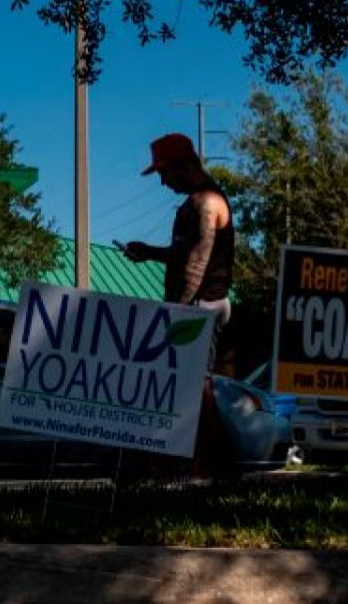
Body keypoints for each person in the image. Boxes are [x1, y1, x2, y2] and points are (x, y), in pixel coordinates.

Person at [122, 132, 237, 480]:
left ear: (183, 166)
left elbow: (196, 265)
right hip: (192, 307)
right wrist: (150, 253)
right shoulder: (192, 204)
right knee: (186, 390)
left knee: (196, 392)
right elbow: (183, 255)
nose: (161, 181)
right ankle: (184, 467)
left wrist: (179, 313)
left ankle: (206, 470)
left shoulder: (208, 203)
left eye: (163, 172)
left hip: (201, 307)